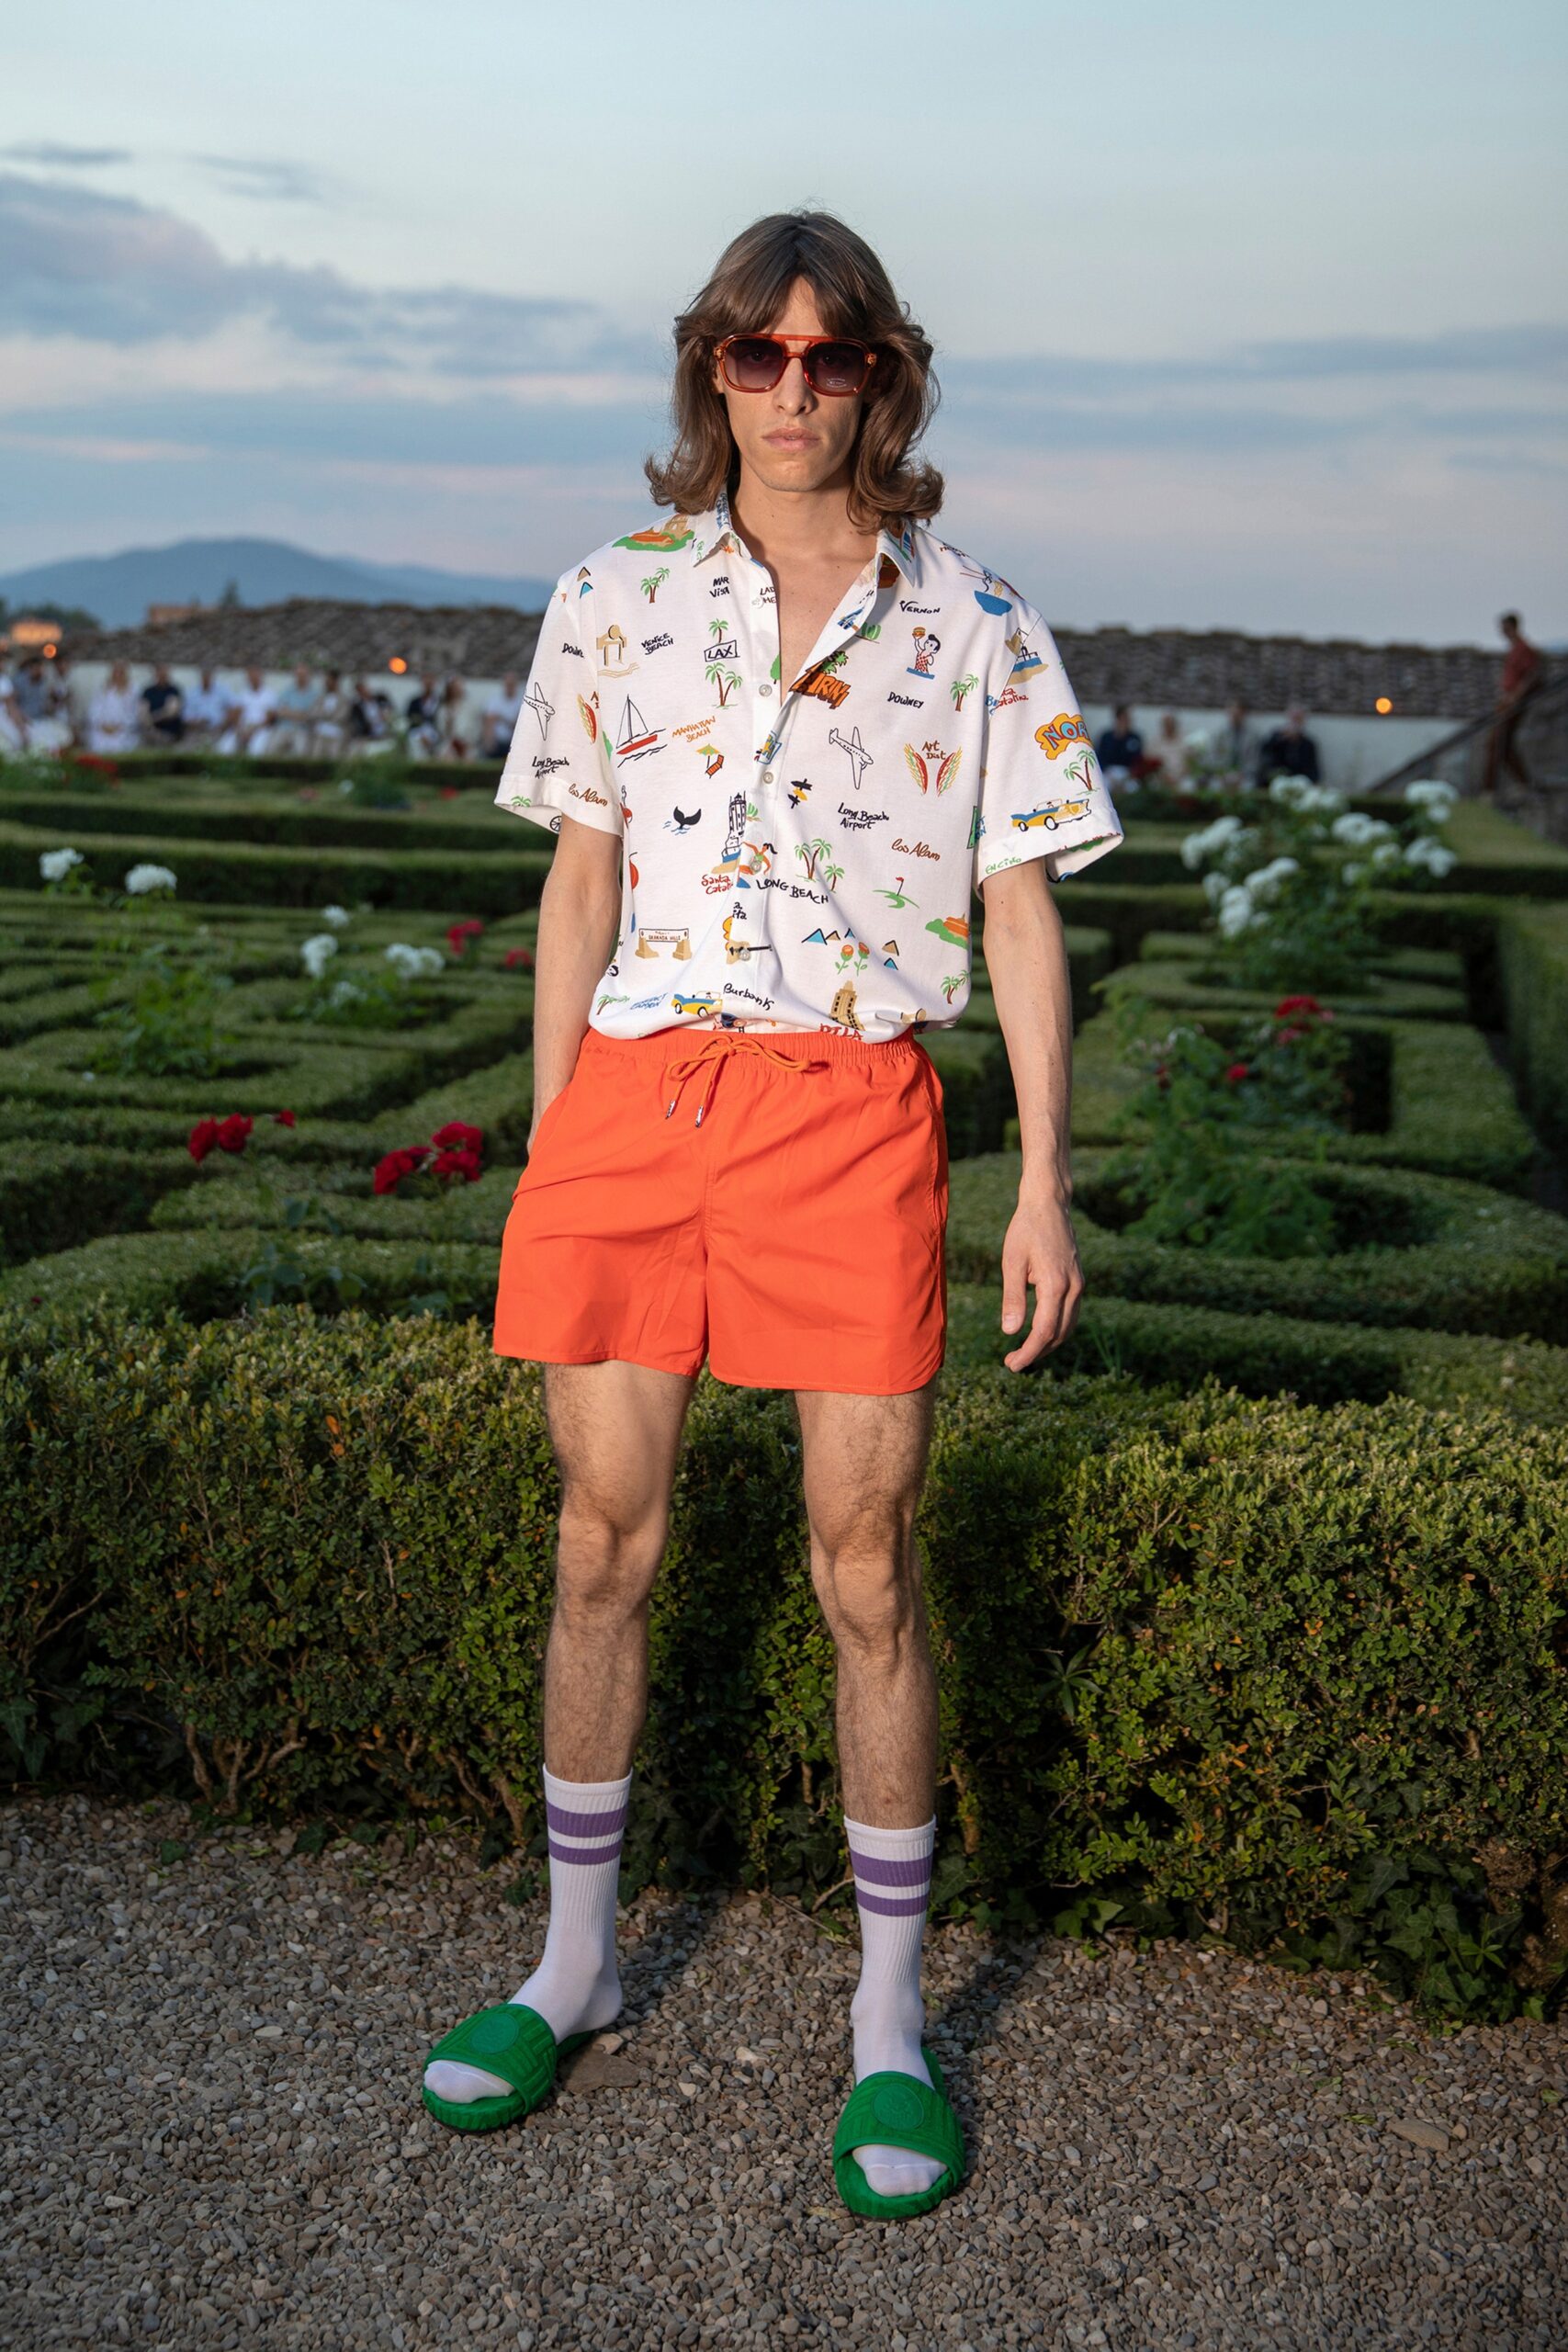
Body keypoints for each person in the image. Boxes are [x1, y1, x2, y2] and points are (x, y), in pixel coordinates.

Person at [418, 209, 1123, 2220]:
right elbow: (575, 882)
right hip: (638, 1101)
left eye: (830, 357)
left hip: (848, 1106)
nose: (793, 389)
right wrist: (560, 1140)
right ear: (706, 367)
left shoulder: (974, 618)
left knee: (866, 1556)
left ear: (882, 371)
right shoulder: (608, 596)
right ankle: (573, 1963)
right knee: (600, 1534)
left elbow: (1017, 907)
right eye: (757, 353)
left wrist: (1039, 1180)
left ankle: (887, 2020)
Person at [1482, 612, 1544, 798]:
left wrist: (1515, 697)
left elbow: (1532, 676)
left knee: (1498, 742)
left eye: (1505, 628)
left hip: (1513, 704)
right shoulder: (1515, 649)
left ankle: (1490, 790)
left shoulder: (1524, 649)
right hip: (1507, 702)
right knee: (1503, 746)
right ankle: (1523, 784)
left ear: (1513, 627)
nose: (1502, 632)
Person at [215, 665, 276, 755]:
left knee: (256, 750)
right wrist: (240, 729)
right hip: (243, 726)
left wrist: (252, 731)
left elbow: (269, 719)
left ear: (260, 676)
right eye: (250, 676)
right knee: (224, 747)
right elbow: (236, 714)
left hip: (260, 728)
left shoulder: (269, 695)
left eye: (255, 676)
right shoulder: (243, 694)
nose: (252, 678)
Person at [85, 661, 141, 754]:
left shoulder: (133, 690)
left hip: (123, 730)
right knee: (97, 742)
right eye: (116, 672)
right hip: (103, 729)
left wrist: (119, 727)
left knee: (122, 744)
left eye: (121, 672)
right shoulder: (103, 689)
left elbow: (135, 713)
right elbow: (94, 710)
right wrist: (102, 725)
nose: (118, 675)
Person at [1257, 705, 1320, 786]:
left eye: (1298, 719)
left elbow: (1314, 771)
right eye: (1293, 718)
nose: (1295, 722)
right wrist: (1281, 738)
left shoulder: (1309, 744)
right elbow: (1264, 750)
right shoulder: (1277, 736)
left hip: (1300, 782)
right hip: (1277, 779)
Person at [270, 663, 321, 756]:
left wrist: (289, 712)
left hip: (302, 730)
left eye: (303, 675)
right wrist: (299, 714)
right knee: (271, 749)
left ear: (308, 676)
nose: (300, 677)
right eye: (298, 675)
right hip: (284, 727)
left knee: (301, 752)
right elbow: (280, 712)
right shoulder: (287, 691)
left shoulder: (315, 694)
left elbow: (310, 716)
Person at [1209, 695, 1259, 786]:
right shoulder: (1219, 734)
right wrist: (1222, 774)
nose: (1234, 716)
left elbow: (1254, 761)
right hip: (1222, 775)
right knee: (1214, 786)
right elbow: (1212, 757)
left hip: (1244, 776)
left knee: (1249, 786)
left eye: (1237, 713)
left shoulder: (1252, 735)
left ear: (1243, 714)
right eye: (1231, 713)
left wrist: (1242, 775)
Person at [1094, 702, 1143, 788]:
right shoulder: (1106, 737)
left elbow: (1138, 760)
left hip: (1127, 773)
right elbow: (1100, 756)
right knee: (1103, 785)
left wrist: (1131, 774)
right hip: (1109, 772)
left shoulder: (1135, 738)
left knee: (1133, 787)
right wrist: (1106, 771)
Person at [139, 662, 186, 748]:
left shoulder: (174, 690)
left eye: (164, 671)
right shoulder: (148, 691)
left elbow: (171, 712)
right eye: (160, 671)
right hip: (150, 729)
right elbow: (143, 710)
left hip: (169, 730)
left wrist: (152, 718)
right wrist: (148, 723)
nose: (162, 674)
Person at [481, 670, 525, 757]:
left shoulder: (521, 702)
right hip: (497, 741)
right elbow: (489, 723)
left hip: (513, 742)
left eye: (511, 685)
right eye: (507, 684)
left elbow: (518, 725)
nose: (509, 687)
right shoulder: (495, 701)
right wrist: (489, 741)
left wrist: (501, 718)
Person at [183, 668, 230, 746]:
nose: (206, 678)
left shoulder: (222, 691)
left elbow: (235, 708)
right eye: (204, 676)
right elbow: (186, 717)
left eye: (208, 676)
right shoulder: (192, 693)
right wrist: (196, 722)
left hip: (217, 729)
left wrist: (224, 725)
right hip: (197, 730)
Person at [1152, 709, 1192, 789]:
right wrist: (1166, 778)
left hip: (1182, 778)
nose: (1169, 727)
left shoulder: (1185, 741)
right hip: (1162, 779)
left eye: (1171, 724)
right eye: (1167, 724)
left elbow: (1190, 763)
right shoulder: (1155, 743)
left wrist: (1178, 778)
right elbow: (1152, 765)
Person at [404, 673, 442, 756]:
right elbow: (410, 719)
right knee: (414, 740)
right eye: (426, 683)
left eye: (430, 683)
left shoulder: (439, 702)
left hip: (435, 732)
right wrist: (421, 735)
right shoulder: (414, 702)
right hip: (418, 731)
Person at [314, 669, 348, 759]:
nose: (327, 683)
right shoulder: (321, 697)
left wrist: (326, 715)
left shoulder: (343, 698)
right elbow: (315, 713)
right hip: (320, 732)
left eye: (329, 680)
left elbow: (342, 716)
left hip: (336, 734)